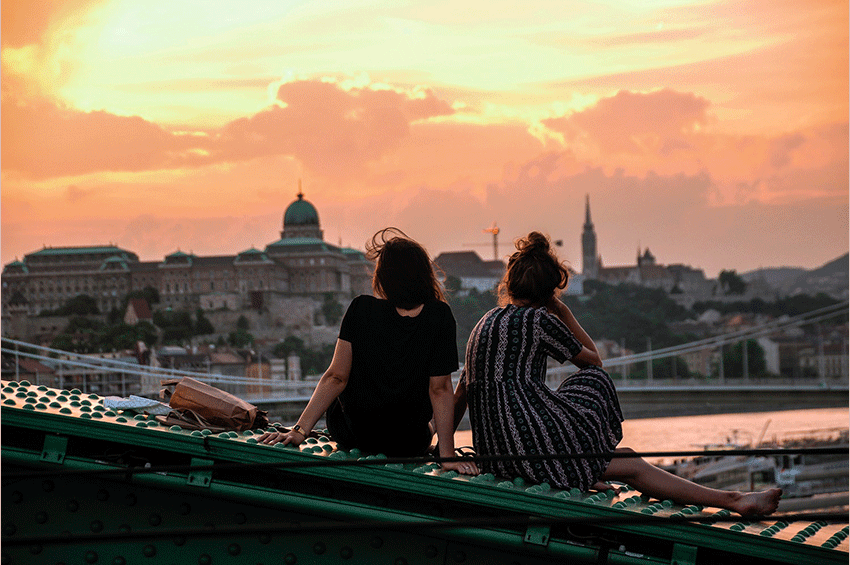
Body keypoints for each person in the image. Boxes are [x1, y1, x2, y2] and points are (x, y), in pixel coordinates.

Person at [454, 231, 781, 515]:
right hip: (530, 453)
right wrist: (563, 311)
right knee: (596, 387)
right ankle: (734, 500)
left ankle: (586, 467)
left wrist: (444, 450)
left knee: (622, 458)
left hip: (495, 454)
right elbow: (594, 361)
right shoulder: (539, 320)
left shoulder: (484, 323)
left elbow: (461, 394)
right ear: (549, 292)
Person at [259, 228, 478, 476]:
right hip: (407, 443)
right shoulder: (439, 316)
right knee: (431, 423)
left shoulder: (361, 309)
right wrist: (447, 457)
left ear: (383, 277)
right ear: (424, 275)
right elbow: (440, 389)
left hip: (353, 434)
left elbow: (336, 377)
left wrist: (299, 430)